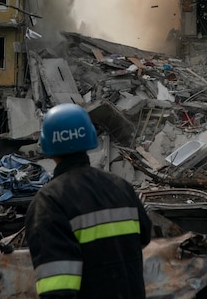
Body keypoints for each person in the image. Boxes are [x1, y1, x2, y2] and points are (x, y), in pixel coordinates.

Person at [24, 103, 152, 298]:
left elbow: (56, 287)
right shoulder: (121, 187)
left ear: (48, 146)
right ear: (90, 137)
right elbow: (145, 237)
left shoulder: (49, 202)